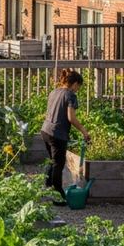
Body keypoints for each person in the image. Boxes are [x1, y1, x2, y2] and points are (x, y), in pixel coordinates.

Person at [41, 68, 90, 205]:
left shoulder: (54, 92)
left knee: (52, 161)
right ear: (75, 84)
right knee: (58, 163)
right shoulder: (70, 95)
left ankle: (46, 187)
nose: (77, 90)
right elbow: (71, 118)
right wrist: (84, 131)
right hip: (57, 133)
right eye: (78, 87)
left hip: (45, 130)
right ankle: (57, 195)